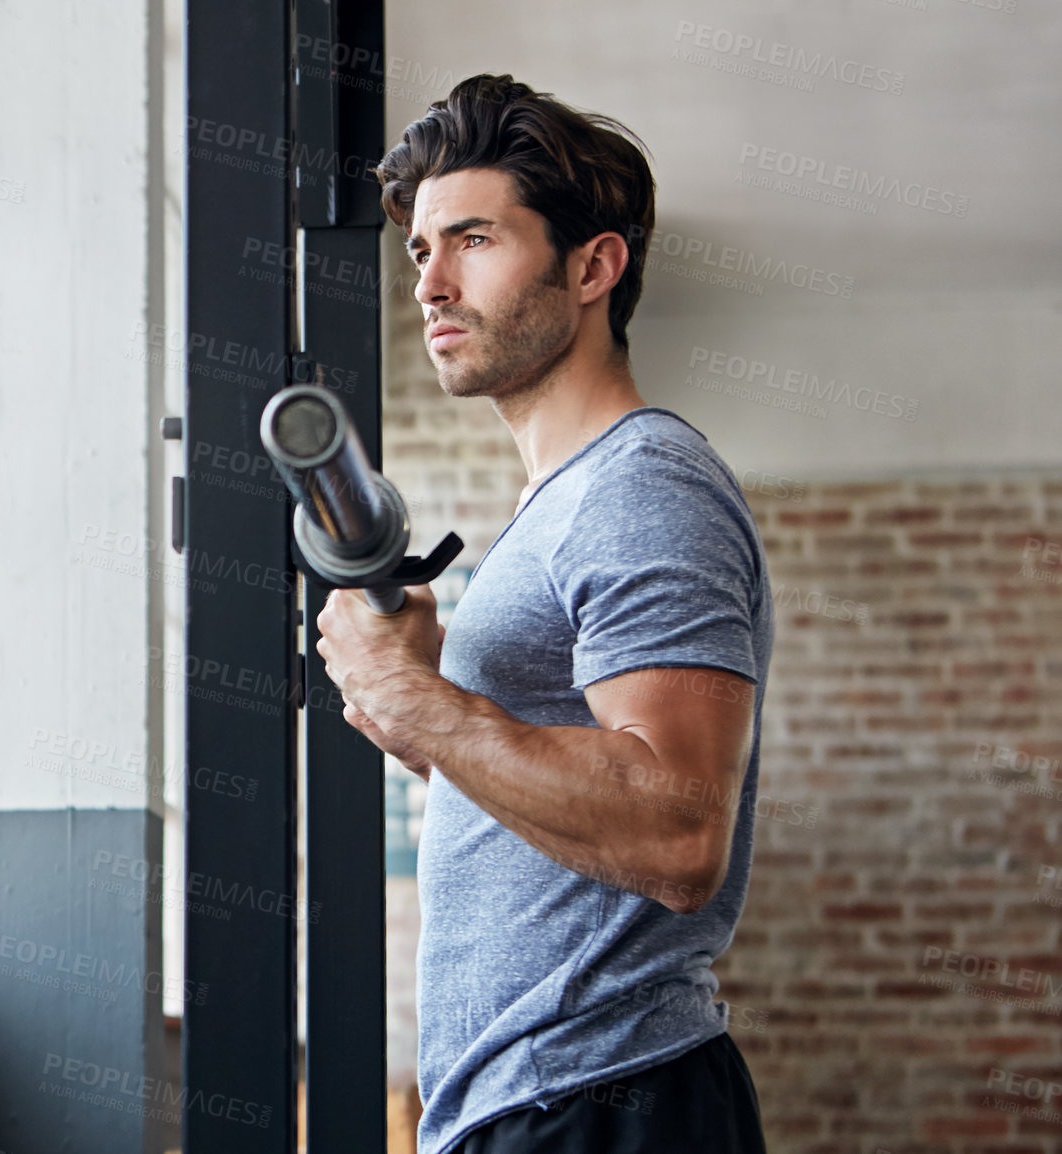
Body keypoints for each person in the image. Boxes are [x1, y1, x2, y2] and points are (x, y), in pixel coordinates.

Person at [314, 74, 773, 1154]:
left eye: (472, 239)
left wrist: (424, 707)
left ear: (591, 267)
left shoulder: (642, 481)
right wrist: (426, 714)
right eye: (422, 250)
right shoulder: (559, 503)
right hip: (538, 1102)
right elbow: (570, 805)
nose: (429, 283)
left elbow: (676, 825)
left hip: (604, 1094)